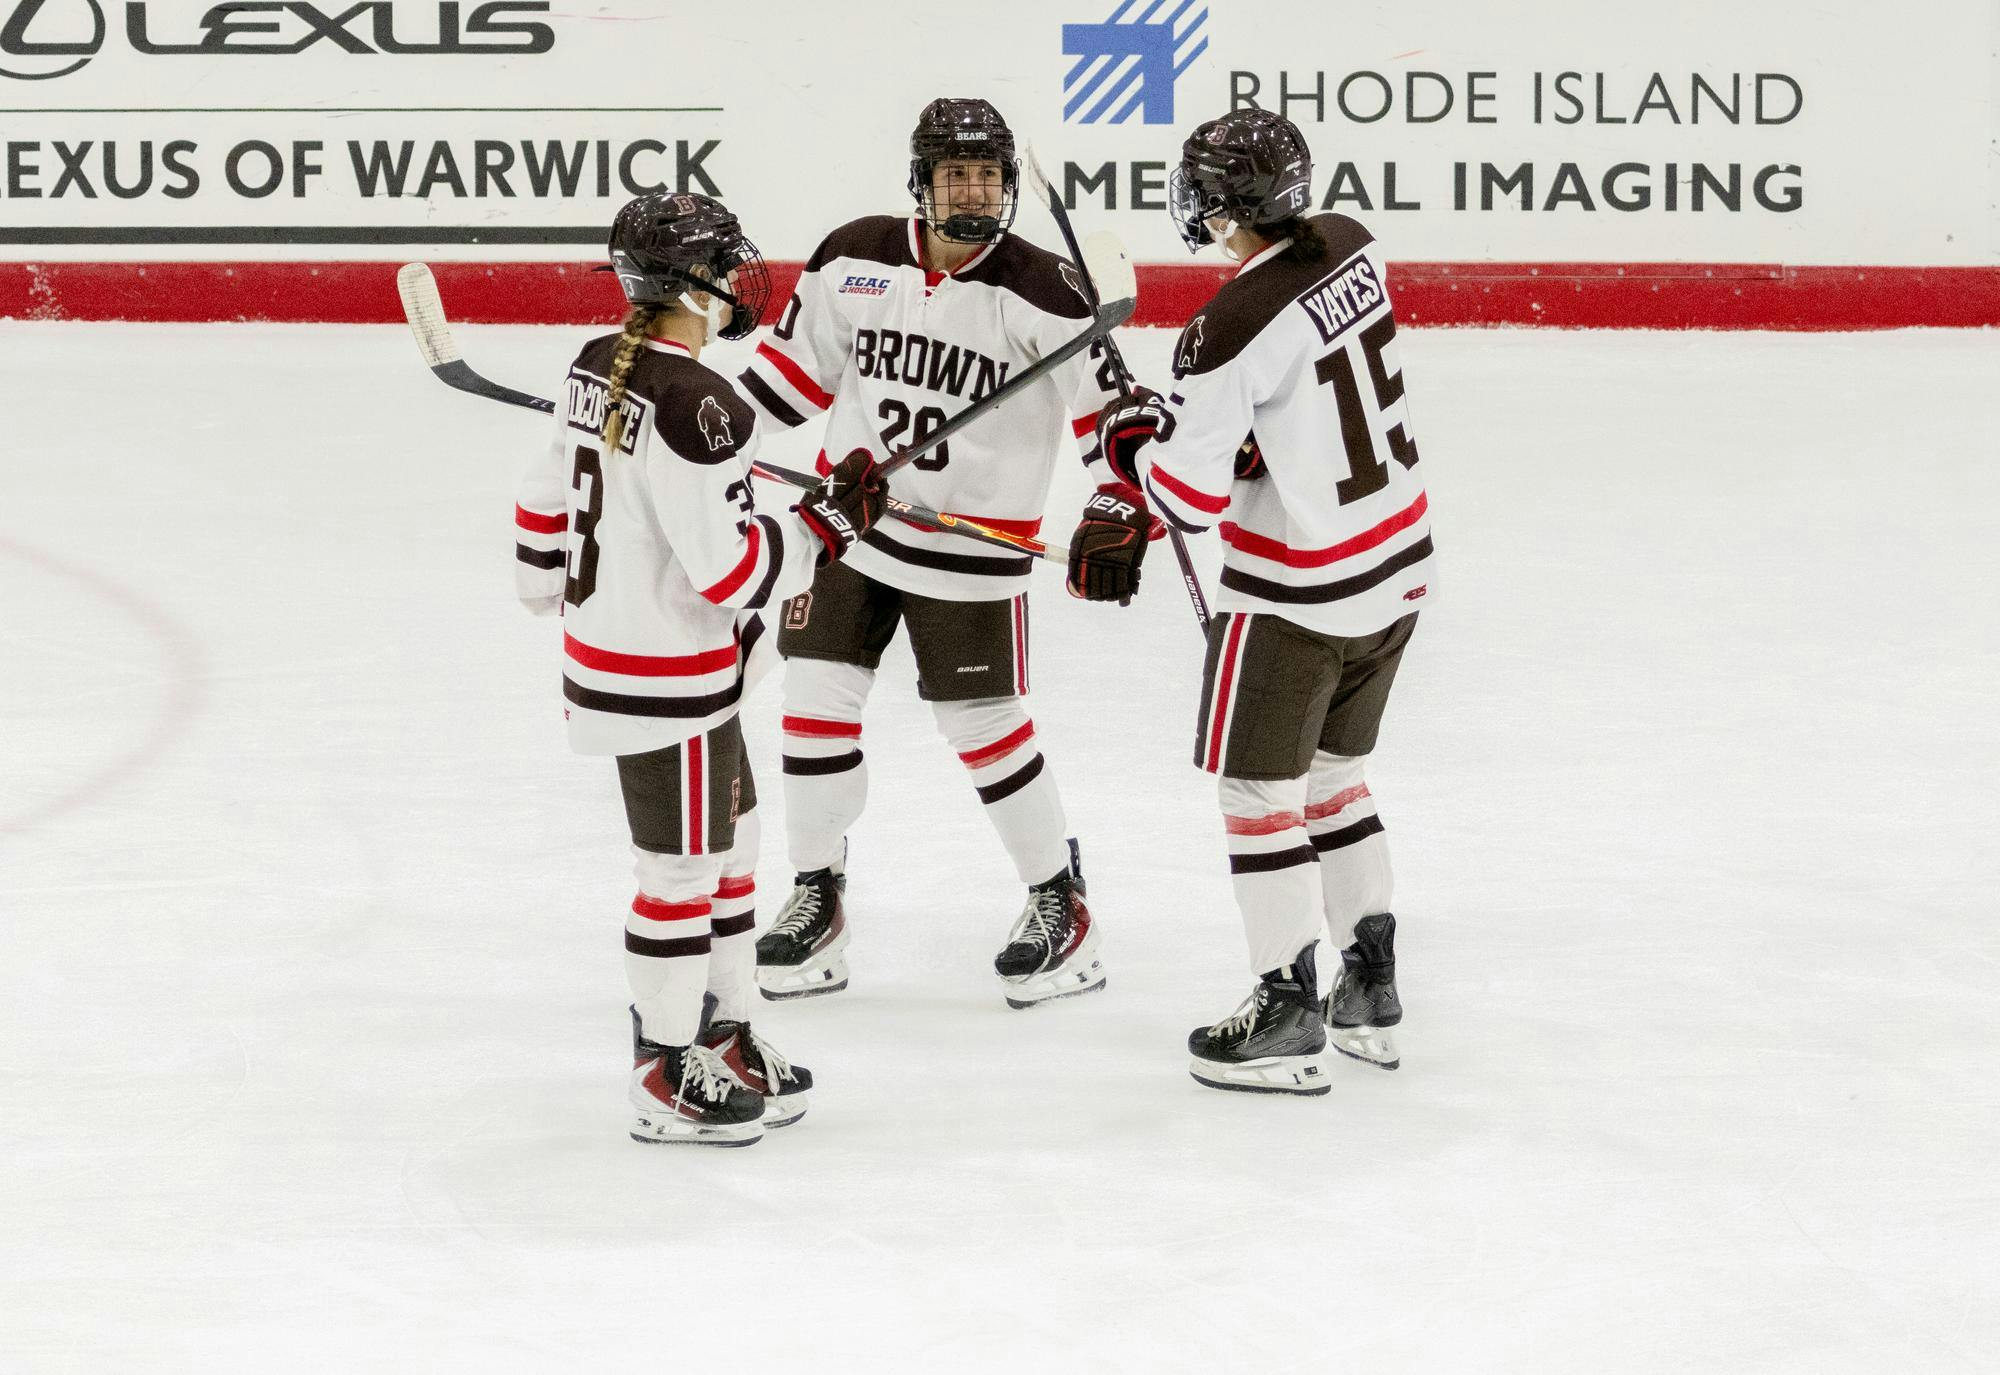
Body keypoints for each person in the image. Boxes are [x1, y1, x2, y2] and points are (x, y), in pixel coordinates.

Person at [733, 97, 1141, 1010]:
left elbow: (1113, 416)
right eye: (955, 174)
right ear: (921, 181)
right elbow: (784, 384)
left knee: (983, 726)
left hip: (971, 550)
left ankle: (1059, 899)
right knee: (813, 705)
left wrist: (1118, 501)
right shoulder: (854, 257)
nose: (973, 192)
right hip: (847, 530)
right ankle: (817, 890)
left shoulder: (1047, 290)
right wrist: (701, 436)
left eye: (988, 175)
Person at [513, 191, 887, 1144]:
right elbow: (731, 573)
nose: (736, 280)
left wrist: (545, 582)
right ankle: (663, 1066)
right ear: (689, 285)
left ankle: (724, 1032)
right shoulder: (700, 403)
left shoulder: (596, 363)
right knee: (679, 873)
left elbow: (545, 502)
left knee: (734, 849)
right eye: (723, 265)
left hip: (653, 661)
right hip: (665, 678)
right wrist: (823, 531)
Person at [1089, 107, 1435, 1093]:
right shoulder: (1352, 244)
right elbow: (1300, 395)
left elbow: (1187, 501)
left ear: (1217, 205)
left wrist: (1134, 446)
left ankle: (1284, 1008)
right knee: (1336, 780)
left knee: (1257, 794)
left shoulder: (1224, 328)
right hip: (1394, 570)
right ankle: (1368, 986)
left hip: (1297, 591)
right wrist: (1218, 431)